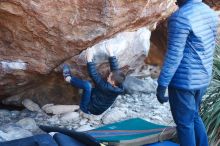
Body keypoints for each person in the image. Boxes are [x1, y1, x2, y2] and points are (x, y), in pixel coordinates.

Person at [156, 0, 218, 146]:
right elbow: (211, 46)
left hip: (184, 82)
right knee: (194, 116)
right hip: (203, 78)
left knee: (184, 124)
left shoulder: (180, 16)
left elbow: (174, 55)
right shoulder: (210, 13)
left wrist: (162, 84)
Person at [63, 44, 125, 115]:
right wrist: (111, 53)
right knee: (90, 87)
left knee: (87, 85)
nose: (108, 76)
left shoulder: (105, 87)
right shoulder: (119, 84)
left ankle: (68, 78)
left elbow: (94, 75)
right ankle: (82, 92)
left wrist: (89, 59)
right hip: (97, 102)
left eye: (109, 77)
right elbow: (115, 70)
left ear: (113, 83)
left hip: (88, 108)